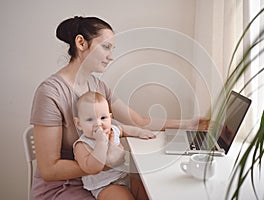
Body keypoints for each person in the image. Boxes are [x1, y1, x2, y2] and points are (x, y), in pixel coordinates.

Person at [30, 16, 209, 200]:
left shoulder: (98, 87)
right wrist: (105, 164)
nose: (111, 56)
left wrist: (190, 124)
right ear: (81, 43)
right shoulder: (51, 93)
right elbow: (49, 170)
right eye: (106, 47)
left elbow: (139, 121)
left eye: (112, 49)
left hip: (102, 177)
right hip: (64, 186)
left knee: (149, 190)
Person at [73, 91, 148, 200]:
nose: (98, 123)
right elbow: (92, 168)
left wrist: (139, 132)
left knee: (146, 191)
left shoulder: (112, 130)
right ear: (79, 124)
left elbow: (123, 129)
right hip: (105, 186)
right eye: (90, 119)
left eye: (103, 118)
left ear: (110, 117)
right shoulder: (82, 145)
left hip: (125, 177)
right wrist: (100, 143)